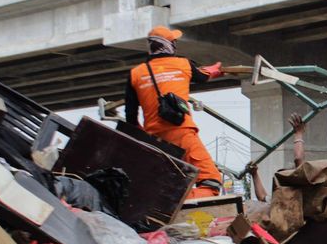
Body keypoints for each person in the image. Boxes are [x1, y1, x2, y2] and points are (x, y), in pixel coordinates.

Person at [124, 26, 227, 199]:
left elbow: (131, 119)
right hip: (183, 134)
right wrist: (215, 70)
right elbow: (203, 76)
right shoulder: (183, 64)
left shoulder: (136, 74)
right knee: (211, 181)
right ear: (169, 45)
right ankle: (180, 203)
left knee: (169, 182)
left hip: (155, 141)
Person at [247, 113, 306, 202]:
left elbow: (262, 197)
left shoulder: (283, 198)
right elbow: (298, 160)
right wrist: (298, 133)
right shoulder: (295, 195)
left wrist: (254, 174)